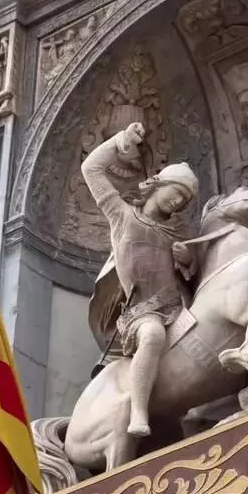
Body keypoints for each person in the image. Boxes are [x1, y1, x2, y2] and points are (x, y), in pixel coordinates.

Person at [82, 122, 198, 437]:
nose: (178, 203)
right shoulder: (121, 215)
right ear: (158, 184)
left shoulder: (179, 232)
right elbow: (91, 169)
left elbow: (194, 270)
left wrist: (187, 260)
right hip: (142, 313)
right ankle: (137, 414)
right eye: (177, 193)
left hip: (179, 308)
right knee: (152, 335)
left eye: (184, 201)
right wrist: (120, 142)